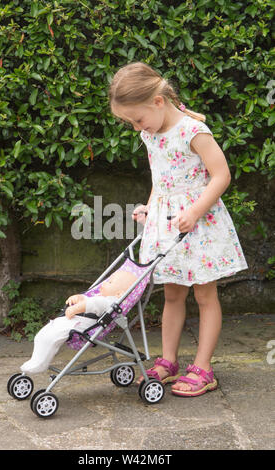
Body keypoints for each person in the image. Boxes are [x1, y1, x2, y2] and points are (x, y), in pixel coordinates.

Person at [108, 62, 248, 397]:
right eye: (130, 122)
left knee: (204, 293)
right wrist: (150, 206)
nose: (135, 126)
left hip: (199, 224)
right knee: (171, 293)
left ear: (157, 101)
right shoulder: (149, 133)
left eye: (136, 119)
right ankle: (168, 360)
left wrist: (196, 210)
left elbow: (221, 176)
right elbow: (162, 179)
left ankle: (202, 367)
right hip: (168, 225)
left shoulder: (192, 131)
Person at [20, 270, 138, 374]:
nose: (104, 283)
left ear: (119, 294)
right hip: (73, 322)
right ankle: (36, 360)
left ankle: (40, 363)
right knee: (41, 335)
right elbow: (89, 301)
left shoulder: (110, 302)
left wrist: (75, 308)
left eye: (110, 282)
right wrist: (78, 298)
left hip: (80, 327)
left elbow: (93, 304)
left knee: (50, 337)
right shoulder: (101, 297)